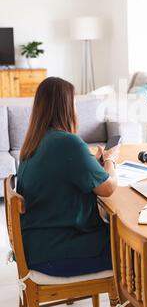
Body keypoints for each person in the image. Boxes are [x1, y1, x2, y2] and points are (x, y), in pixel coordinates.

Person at [17, 76, 120, 277]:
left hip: (38, 245)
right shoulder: (68, 143)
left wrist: (92, 163)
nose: (76, 110)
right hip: (58, 252)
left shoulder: (34, 142)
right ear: (64, 108)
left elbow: (65, 173)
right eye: (73, 104)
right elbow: (108, 188)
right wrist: (110, 160)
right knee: (132, 248)